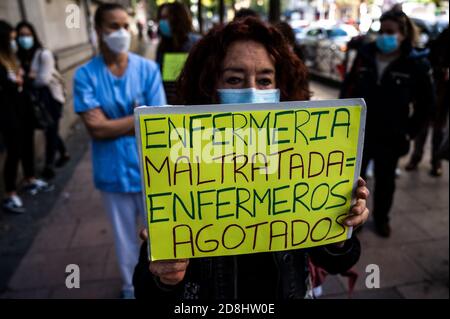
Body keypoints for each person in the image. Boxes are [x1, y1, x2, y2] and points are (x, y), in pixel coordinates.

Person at [133, 17, 371, 300]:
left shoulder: (301, 159)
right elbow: (146, 291)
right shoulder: (179, 163)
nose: (252, 92)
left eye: (265, 80)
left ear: (279, 88)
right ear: (210, 85)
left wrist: (344, 226)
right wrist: (164, 276)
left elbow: (337, 261)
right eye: (234, 79)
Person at [73, 3, 166, 298]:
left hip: (151, 169)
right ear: (99, 31)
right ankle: (130, 288)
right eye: (114, 26)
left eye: (126, 26)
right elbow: (95, 129)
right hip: (112, 171)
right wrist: (138, 117)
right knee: (124, 238)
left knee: (159, 235)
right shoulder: (85, 75)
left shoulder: (148, 69)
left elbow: (157, 121)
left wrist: (116, 123)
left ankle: (163, 284)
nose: (122, 32)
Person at [340, 10, 435, 237]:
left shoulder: (416, 63)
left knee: (385, 182)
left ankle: (382, 219)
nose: (384, 36)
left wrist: (409, 133)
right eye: (381, 31)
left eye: (390, 32)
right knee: (354, 182)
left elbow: (426, 105)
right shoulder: (365, 55)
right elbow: (347, 89)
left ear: (403, 34)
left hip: (392, 136)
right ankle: (356, 220)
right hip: (360, 135)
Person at [0, 20, 52, 214]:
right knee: (14, 151)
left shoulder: (12, 59)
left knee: (27, 145)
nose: (15, 42)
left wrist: (19, 81)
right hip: (8, 114)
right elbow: (10, 86)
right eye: (12, 38)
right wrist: (17, 82)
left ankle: (29, 178)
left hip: (23, 111)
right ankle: (10, 193)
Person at [16, 21, 70, 180]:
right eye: (21, 36)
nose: (24, 39)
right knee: (49, 128)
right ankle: (64, 153)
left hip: (52, 97)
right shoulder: (23, 56)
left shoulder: (43, 54)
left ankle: (49, 165)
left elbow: (43, 80)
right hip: (37, 100)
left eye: (27, 35)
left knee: (51, 131)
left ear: (33, 35)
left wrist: (26, 79)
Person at [405, 27, 449, 176]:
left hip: (443, 99)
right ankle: (416, 157)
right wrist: (441, 71)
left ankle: (436, 161)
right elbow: (424, 65)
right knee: (422, 130)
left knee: (438, 132)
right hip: (429, 95)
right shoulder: (435, 46)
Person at [155, 1, 201, 104]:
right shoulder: (162, 46)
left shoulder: (196, 43)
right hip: (167, 104)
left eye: (166, 17)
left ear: (178, 18)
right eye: (161, 18)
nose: (162, 22)